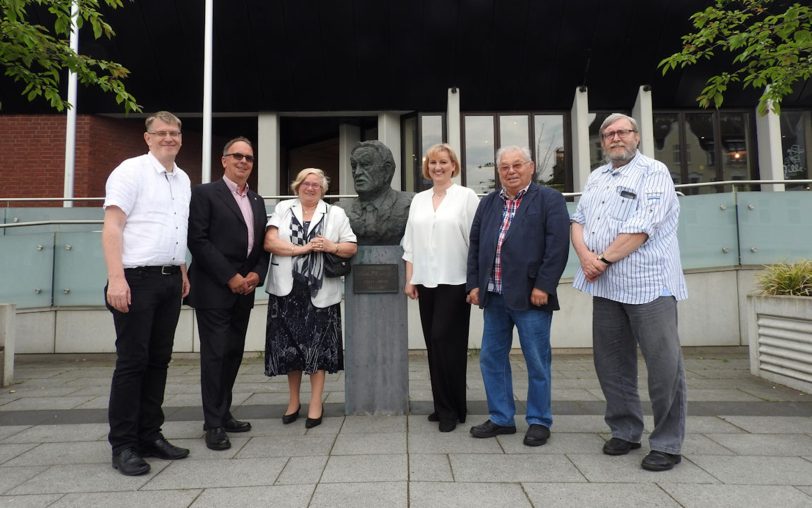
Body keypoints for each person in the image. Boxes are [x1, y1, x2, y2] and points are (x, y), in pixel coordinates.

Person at [571, 113, 688, 472]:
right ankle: (624, 429)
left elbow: (643, 227)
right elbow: (577, 220)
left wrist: (601, 258)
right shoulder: (596, 176)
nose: (615, 137)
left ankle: (667, 443)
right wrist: (586, 257)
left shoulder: (654, 172)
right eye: (608, 133)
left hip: (650, 284)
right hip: (605, 286)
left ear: (636, 136)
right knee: (611, 364)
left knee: (664, 367)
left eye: (622, 132)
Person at [102, 111, 191, 476]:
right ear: (148, 137)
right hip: (135, 279)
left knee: (159, 360)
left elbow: (174, 227)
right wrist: (116, 278)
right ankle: (123, 444)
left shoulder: (182, 178)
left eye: (174, 133)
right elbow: (112, 226)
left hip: (170, 280)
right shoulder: (130, 171)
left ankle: (149, 434)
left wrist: (182, 269)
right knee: (132, 362)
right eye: (162, 132)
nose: (169, 138)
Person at [466, 145, 569, 447]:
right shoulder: (488, 203)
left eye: (517, 165)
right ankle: (501, 417)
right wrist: (474, 284)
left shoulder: (549, 199)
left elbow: (558, 246)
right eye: (504, 167)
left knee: (537, 360)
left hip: (531, 297)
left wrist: (544, 286)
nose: (510, 171)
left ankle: (539, 420)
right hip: (494, 297)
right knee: (491, 358)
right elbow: (475, 245)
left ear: (531, 167)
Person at [186, 137, 269, 451]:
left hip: (244, 291)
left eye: (249, 157)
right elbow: (198, 240)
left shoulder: (258, 201)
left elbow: (262, 245)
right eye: (237, 156)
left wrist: (256, 274)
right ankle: (214, 424)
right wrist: (230, 276)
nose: (244, 162)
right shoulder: (205, 193)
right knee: (215, 355)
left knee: (233, 354)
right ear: (223, 160)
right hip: (213, 290)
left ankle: (224, 412)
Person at [264, 168, 357, 428]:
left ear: (323, 189)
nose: (311, 188)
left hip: (320, 292)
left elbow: (351, 247)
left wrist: (332, 246)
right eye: (306, 183)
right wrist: (301, 249)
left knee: (318, 349)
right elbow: (270, 242)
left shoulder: (335, 213)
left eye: (316, 184)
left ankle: (316, 403)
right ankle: (293, 401)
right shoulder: (283, 208)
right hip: (287, 290)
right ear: (297, 186)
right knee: (289, 350)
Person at [402, 144, 479, 432]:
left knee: (446, 341)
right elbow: (409, 242)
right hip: (426, 281)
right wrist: (410, 278)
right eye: (433, 162)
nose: (438, 167)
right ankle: (450, 405)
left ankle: (449, 410)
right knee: (435, 345)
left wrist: (475, 283)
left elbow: (476, 241)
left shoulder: (466, 197)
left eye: (443, 162)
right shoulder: (419, 200)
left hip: (455, 280)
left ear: (453, 166)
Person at [338, 140, 414, 245]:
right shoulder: (340, 210)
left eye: (365, 165)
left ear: (387, 170)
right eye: (354, 166)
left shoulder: (411, 204)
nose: (358, 172)